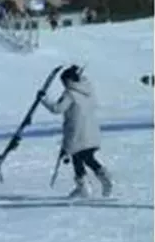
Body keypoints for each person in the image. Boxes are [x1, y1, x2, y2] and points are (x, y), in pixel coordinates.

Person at [41, 65, 113, 198]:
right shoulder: (88, 91)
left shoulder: (70, 93)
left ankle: (83, 187)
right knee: (87, 157)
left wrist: (44, 99)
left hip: (76, 132)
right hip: (91, 131)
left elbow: (58, 109)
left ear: (68, 80)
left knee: (77, 157)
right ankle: (104, 177)